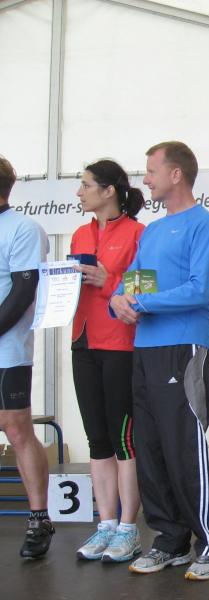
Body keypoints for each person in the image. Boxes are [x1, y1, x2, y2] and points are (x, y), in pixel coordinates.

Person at [110, 141, 209, 581]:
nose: (145, 179)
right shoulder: (154, 231)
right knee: (151, 447)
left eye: (151, 171)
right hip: (145, 350)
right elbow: (130, 284)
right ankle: (170, 538)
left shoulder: (205, 225)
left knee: (185, 446)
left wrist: (141, 303)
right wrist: (118, 301)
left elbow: (200, 290)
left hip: (185, 347)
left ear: (175, 174)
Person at [71, 160, 145, 562]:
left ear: (109, 190)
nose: (79, 192)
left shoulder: (137, 233)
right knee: (96, 439)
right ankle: (106, 524)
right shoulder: (80, 233)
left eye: (86, 185)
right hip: (82, 341)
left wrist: (108, 282)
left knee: (122, 440)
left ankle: (129, 528)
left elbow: (142, 292)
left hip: (119, 344)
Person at [0, 154, 52, 559]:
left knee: (16, 431)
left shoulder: (23, 229)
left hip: (8, 351)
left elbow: (21, 293)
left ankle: (38, 518)